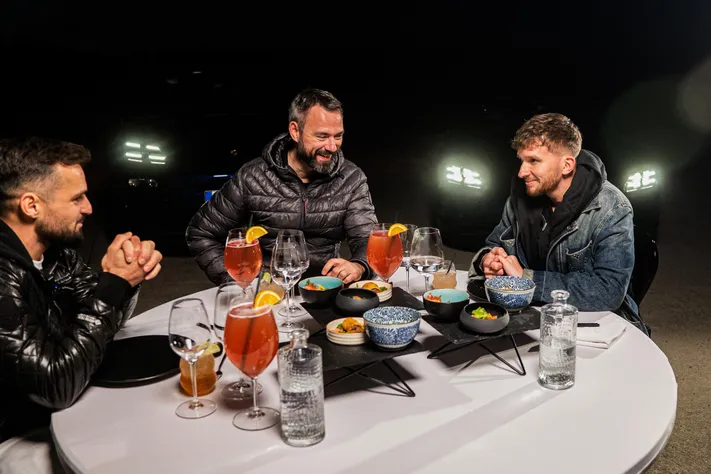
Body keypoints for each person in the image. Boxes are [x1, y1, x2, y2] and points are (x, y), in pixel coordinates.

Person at [0, 137, 162, 461]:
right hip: (16, 435)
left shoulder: (56, 253)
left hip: (62, 411)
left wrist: (127, 276)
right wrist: (114, 283)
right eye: (77, 198)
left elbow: (101, 319)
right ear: (31, 206)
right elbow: (56, 385)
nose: (88, 208)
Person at [186, 88, 377, 285]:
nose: (332, 146)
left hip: (324, 290)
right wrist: (238, 282)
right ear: (295, 131)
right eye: (322, 136)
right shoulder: (253, 176)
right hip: (269, 292)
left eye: (338, 136)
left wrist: (359, 266)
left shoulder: (351, 178)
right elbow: (201, 233)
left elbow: (368, 240)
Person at [468, 113, 639, 317]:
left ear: (566, 165)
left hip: (598, 320)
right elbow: (495, 244)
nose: (522, 172)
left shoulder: (612, 207)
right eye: (522, 160)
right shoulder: (520, 197)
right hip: (529, 312)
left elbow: (609, 291)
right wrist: (488, 260)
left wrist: (528, 279)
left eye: (533, 161)